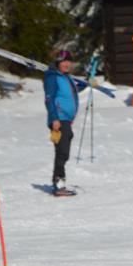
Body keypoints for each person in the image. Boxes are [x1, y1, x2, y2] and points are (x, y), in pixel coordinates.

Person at [44, 49, 79, 196]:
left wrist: (88, 84)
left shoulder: (66, 77)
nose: (67, 64)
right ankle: (58, 185)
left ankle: (59, 183)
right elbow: (49, 99)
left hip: (66, 120)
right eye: (64, 61)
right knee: (62, 152)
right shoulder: (53, 77)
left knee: (63, 152)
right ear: (58, 62)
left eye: (68, 61)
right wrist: (54, 118)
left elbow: (71, 92)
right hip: (59, 119)